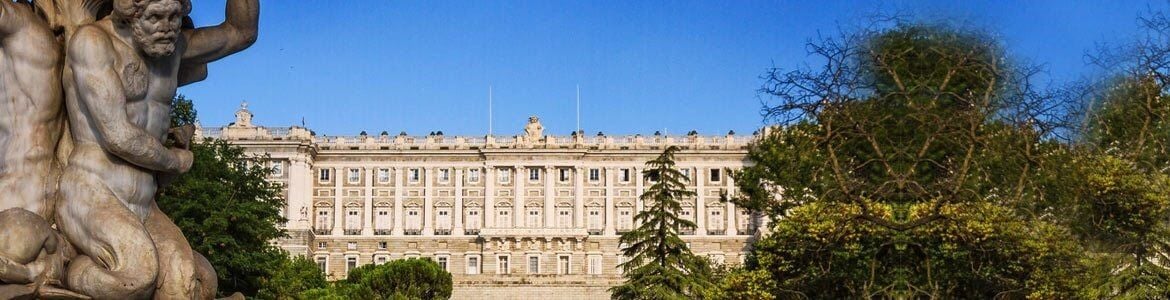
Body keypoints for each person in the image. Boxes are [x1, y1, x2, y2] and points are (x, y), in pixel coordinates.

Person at [56, 0, 258, 298]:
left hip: (145, 202)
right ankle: (64, 275)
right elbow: (118, 136)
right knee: (136, 276)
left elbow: (241, 32)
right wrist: (176, 161)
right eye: (156, 17)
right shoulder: (93, 43)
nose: (167, 28)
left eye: (174, 17)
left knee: (183, 281)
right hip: (93, 192)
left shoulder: (172, 48)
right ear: (129, 15)